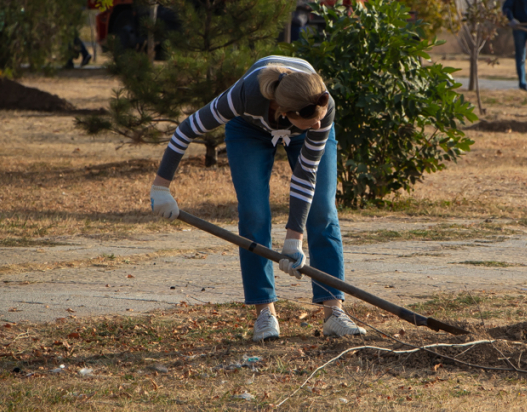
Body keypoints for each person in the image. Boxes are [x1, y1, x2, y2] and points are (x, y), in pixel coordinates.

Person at [148, 55, 366, 342]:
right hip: (248, 131)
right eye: (310, 122)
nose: (317, 126)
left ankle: (333, 312)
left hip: (300, 126)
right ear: (283, 112)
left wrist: (293, 241)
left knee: (322, 211)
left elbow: (305, 175)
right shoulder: (243, 96)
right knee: (254, 214)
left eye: (319, 120)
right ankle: (266, 313)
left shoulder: (321, 111)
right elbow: (186, 130)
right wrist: (161, 188)